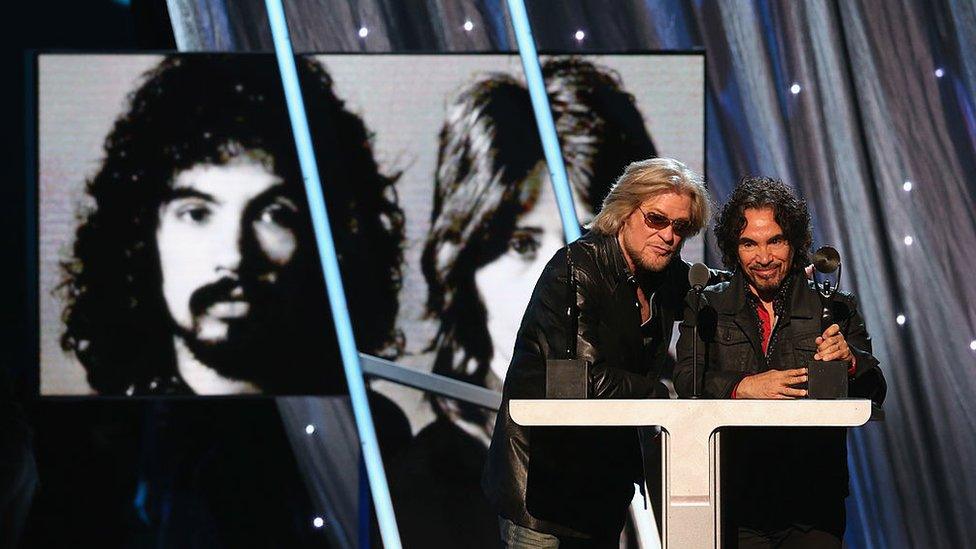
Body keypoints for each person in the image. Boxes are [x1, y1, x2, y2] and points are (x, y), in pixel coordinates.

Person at [402, 58, 660, 548]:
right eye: (522, 243)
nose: (557, 277)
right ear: (463, 266)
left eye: (582, 238)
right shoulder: (421, 490)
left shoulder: (673, 452)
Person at [58, 54, 404, 395]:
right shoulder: (106, 439)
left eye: (274, 215)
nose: (234, 255)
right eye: (197, 214)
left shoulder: (377, 434)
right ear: (142, 238)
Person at [483, 157, 717, 547]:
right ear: (624, 211)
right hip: (542, 492)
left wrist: (780, 280)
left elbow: (723, 291)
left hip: (601, 492)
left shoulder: (666, 275)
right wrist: (661, 397)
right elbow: (582, 380)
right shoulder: (575, 268)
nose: (668, 236)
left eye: (681, 227)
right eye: (656, 219)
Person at [673, 176, 886, 547]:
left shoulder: (833, 306)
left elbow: (875, 391)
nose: (765, 257)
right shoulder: (706, 304)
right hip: (734, 498)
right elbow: (688, 379)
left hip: (812, 501)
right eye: (749, 244)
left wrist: (850, 361)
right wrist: (743, 387)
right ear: (732, 249)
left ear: (796, 243)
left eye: (776, 240)